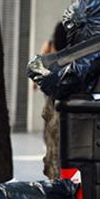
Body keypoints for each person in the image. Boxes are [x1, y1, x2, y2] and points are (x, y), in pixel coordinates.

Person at [38, 23, 67, 180]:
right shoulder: (74, 53)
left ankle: (53, 172)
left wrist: (35, 84)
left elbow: (40, 63)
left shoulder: (49, 47)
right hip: (64, 95)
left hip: (50, 92)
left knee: (50, 122)